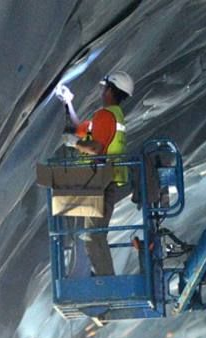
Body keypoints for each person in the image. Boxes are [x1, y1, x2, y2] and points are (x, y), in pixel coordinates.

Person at [58, 70, 135, 276]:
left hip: (100, 180)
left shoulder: (105, 115)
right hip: (108, 180)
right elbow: (81, 129)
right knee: (97, 235)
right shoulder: (112, 117)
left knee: (93, 236)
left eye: (105, 88)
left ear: (110, 90)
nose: (102, 91)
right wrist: (68, 103)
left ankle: (106, 281)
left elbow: (95, 148)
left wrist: (73, 143)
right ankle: (106, 278)